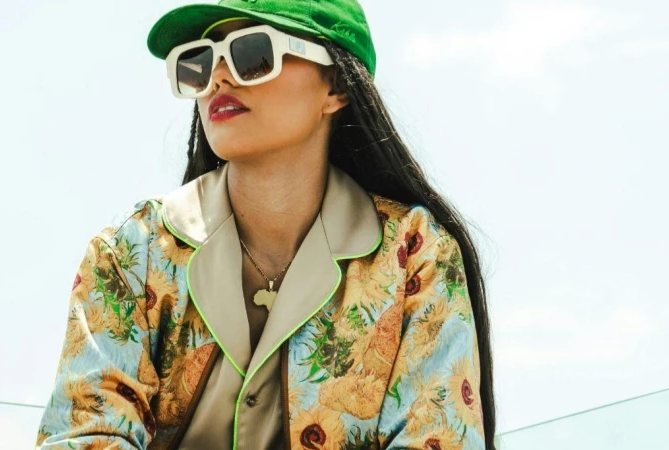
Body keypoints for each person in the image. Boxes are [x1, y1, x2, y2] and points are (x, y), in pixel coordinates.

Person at [34, 1, 496, 449]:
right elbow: (85, 438)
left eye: (252, 53)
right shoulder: (131, 253)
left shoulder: (416, 254)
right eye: (197, 63)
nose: (217, 77)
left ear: (335, 85)